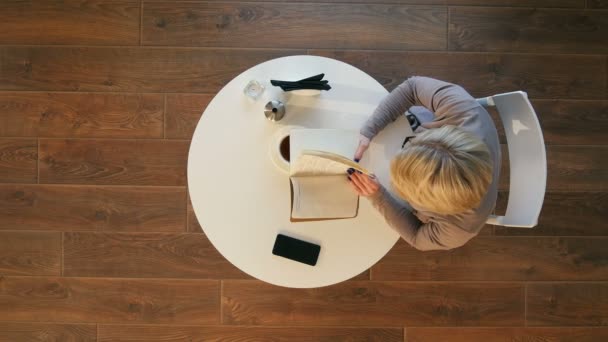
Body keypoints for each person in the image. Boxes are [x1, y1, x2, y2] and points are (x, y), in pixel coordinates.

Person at [348, 76, 501, 251]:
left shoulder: (458, 229)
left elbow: (416, 237)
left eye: (402, 188)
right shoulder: (464, 111)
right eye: (407, 149)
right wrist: (370, 129)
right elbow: (412, 87)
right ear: (437, 135)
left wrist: (380, 197)